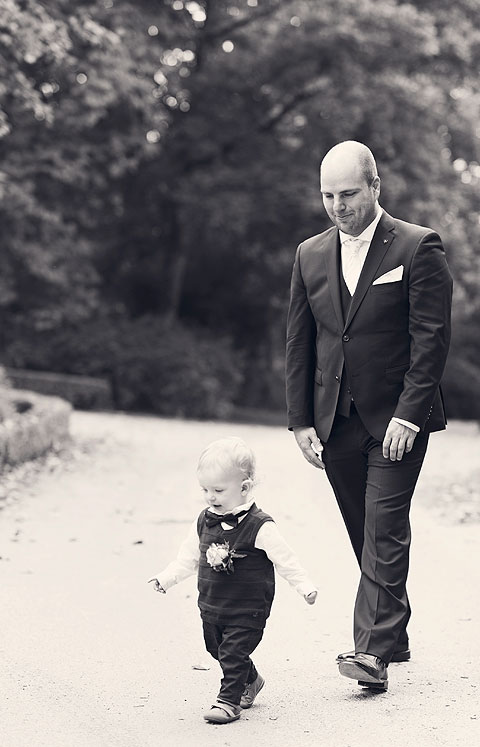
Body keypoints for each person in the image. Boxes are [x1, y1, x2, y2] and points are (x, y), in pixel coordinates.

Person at [285, 140, 453, 692]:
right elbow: (300, 342)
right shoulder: (309, 254)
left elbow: (430, 340)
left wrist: (410, 415)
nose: (338, 206)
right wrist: (300, 420)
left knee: (383, 528)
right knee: (365, 530)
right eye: (328, 195)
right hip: (334, 420)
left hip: (398, 419)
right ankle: (393, 631)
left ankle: (371, 655)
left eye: (349, 194)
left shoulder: (417, 247)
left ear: (375, 187)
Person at [149, 437, 317, 724]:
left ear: (244, 488)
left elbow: (285, 559)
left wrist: (304, 586)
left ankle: (228, 702)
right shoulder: (204, 520)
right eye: (205, 489)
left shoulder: (260, 526)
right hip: (213, 605)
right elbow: (189, 557)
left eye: (217, 490)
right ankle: (251, 680)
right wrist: (167, 578)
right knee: (216, 649)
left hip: (248, 608)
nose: (210, 497)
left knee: (232, 651)